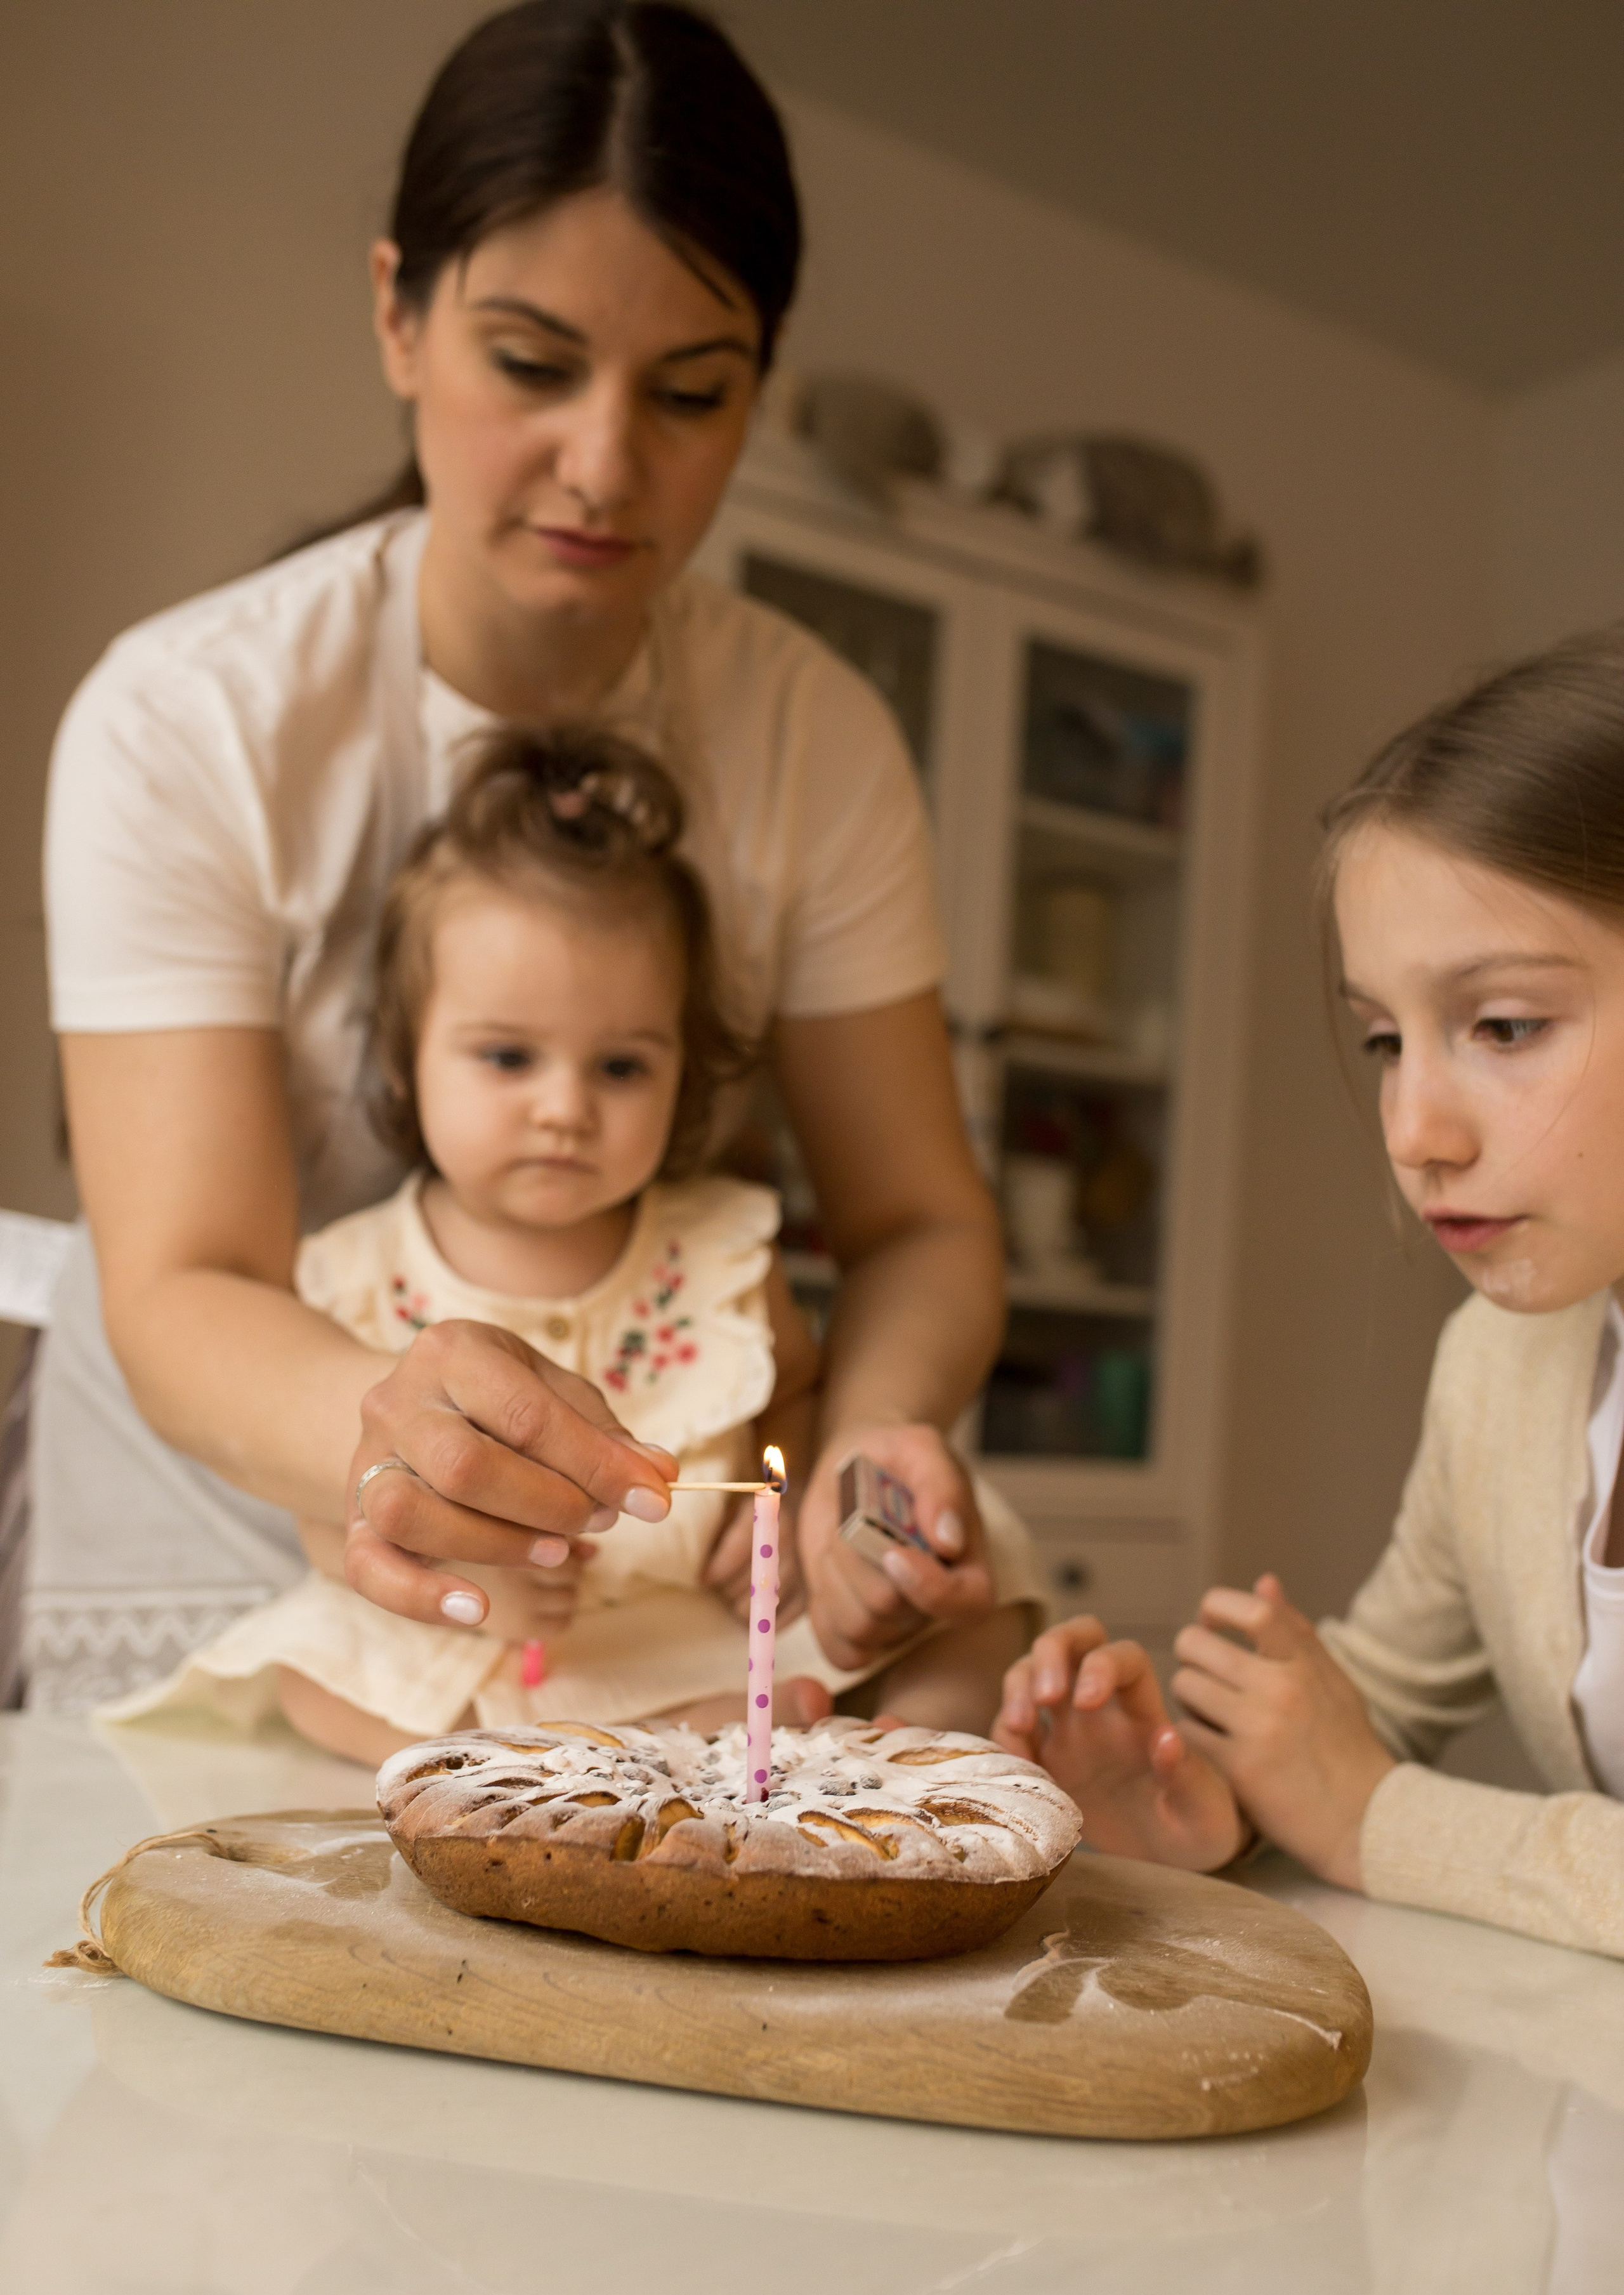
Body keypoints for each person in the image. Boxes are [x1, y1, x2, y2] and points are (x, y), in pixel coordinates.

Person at [30, 0, 1013, 1712]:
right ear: (400, 316)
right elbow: (185, 1277)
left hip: (637, 1580)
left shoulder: (816, 741)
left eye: (693, 393)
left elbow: (923, 1218)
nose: (606, 464)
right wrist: (381, 1428)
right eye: (533, 365)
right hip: (233, 1491)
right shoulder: (180, 724)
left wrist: (860, 1445)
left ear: (759, 385)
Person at [105, 727, 1030, 1761]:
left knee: (979, 1552)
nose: (566, 1109)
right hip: (492, 1640)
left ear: (687, 1068)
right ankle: (643, 1750)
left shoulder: (722, 1251)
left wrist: (788, 1497)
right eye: (508, 1056)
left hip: (691, 1628)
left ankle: (930, 1739)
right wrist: (471, 1580)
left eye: (622, 1068)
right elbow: (336, 1512)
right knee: (326, 1678)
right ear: (408, 1065)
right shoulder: (355, 1274)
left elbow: (798, 1392)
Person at [996, 626, 1624, 1961]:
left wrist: (1374, 1817)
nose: (1410, 1128)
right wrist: (1198, 1795)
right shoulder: (1500, 1365)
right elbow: (1373, 1705)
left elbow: (1366, 1790)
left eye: (1502, 1025)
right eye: (1385, 1039)